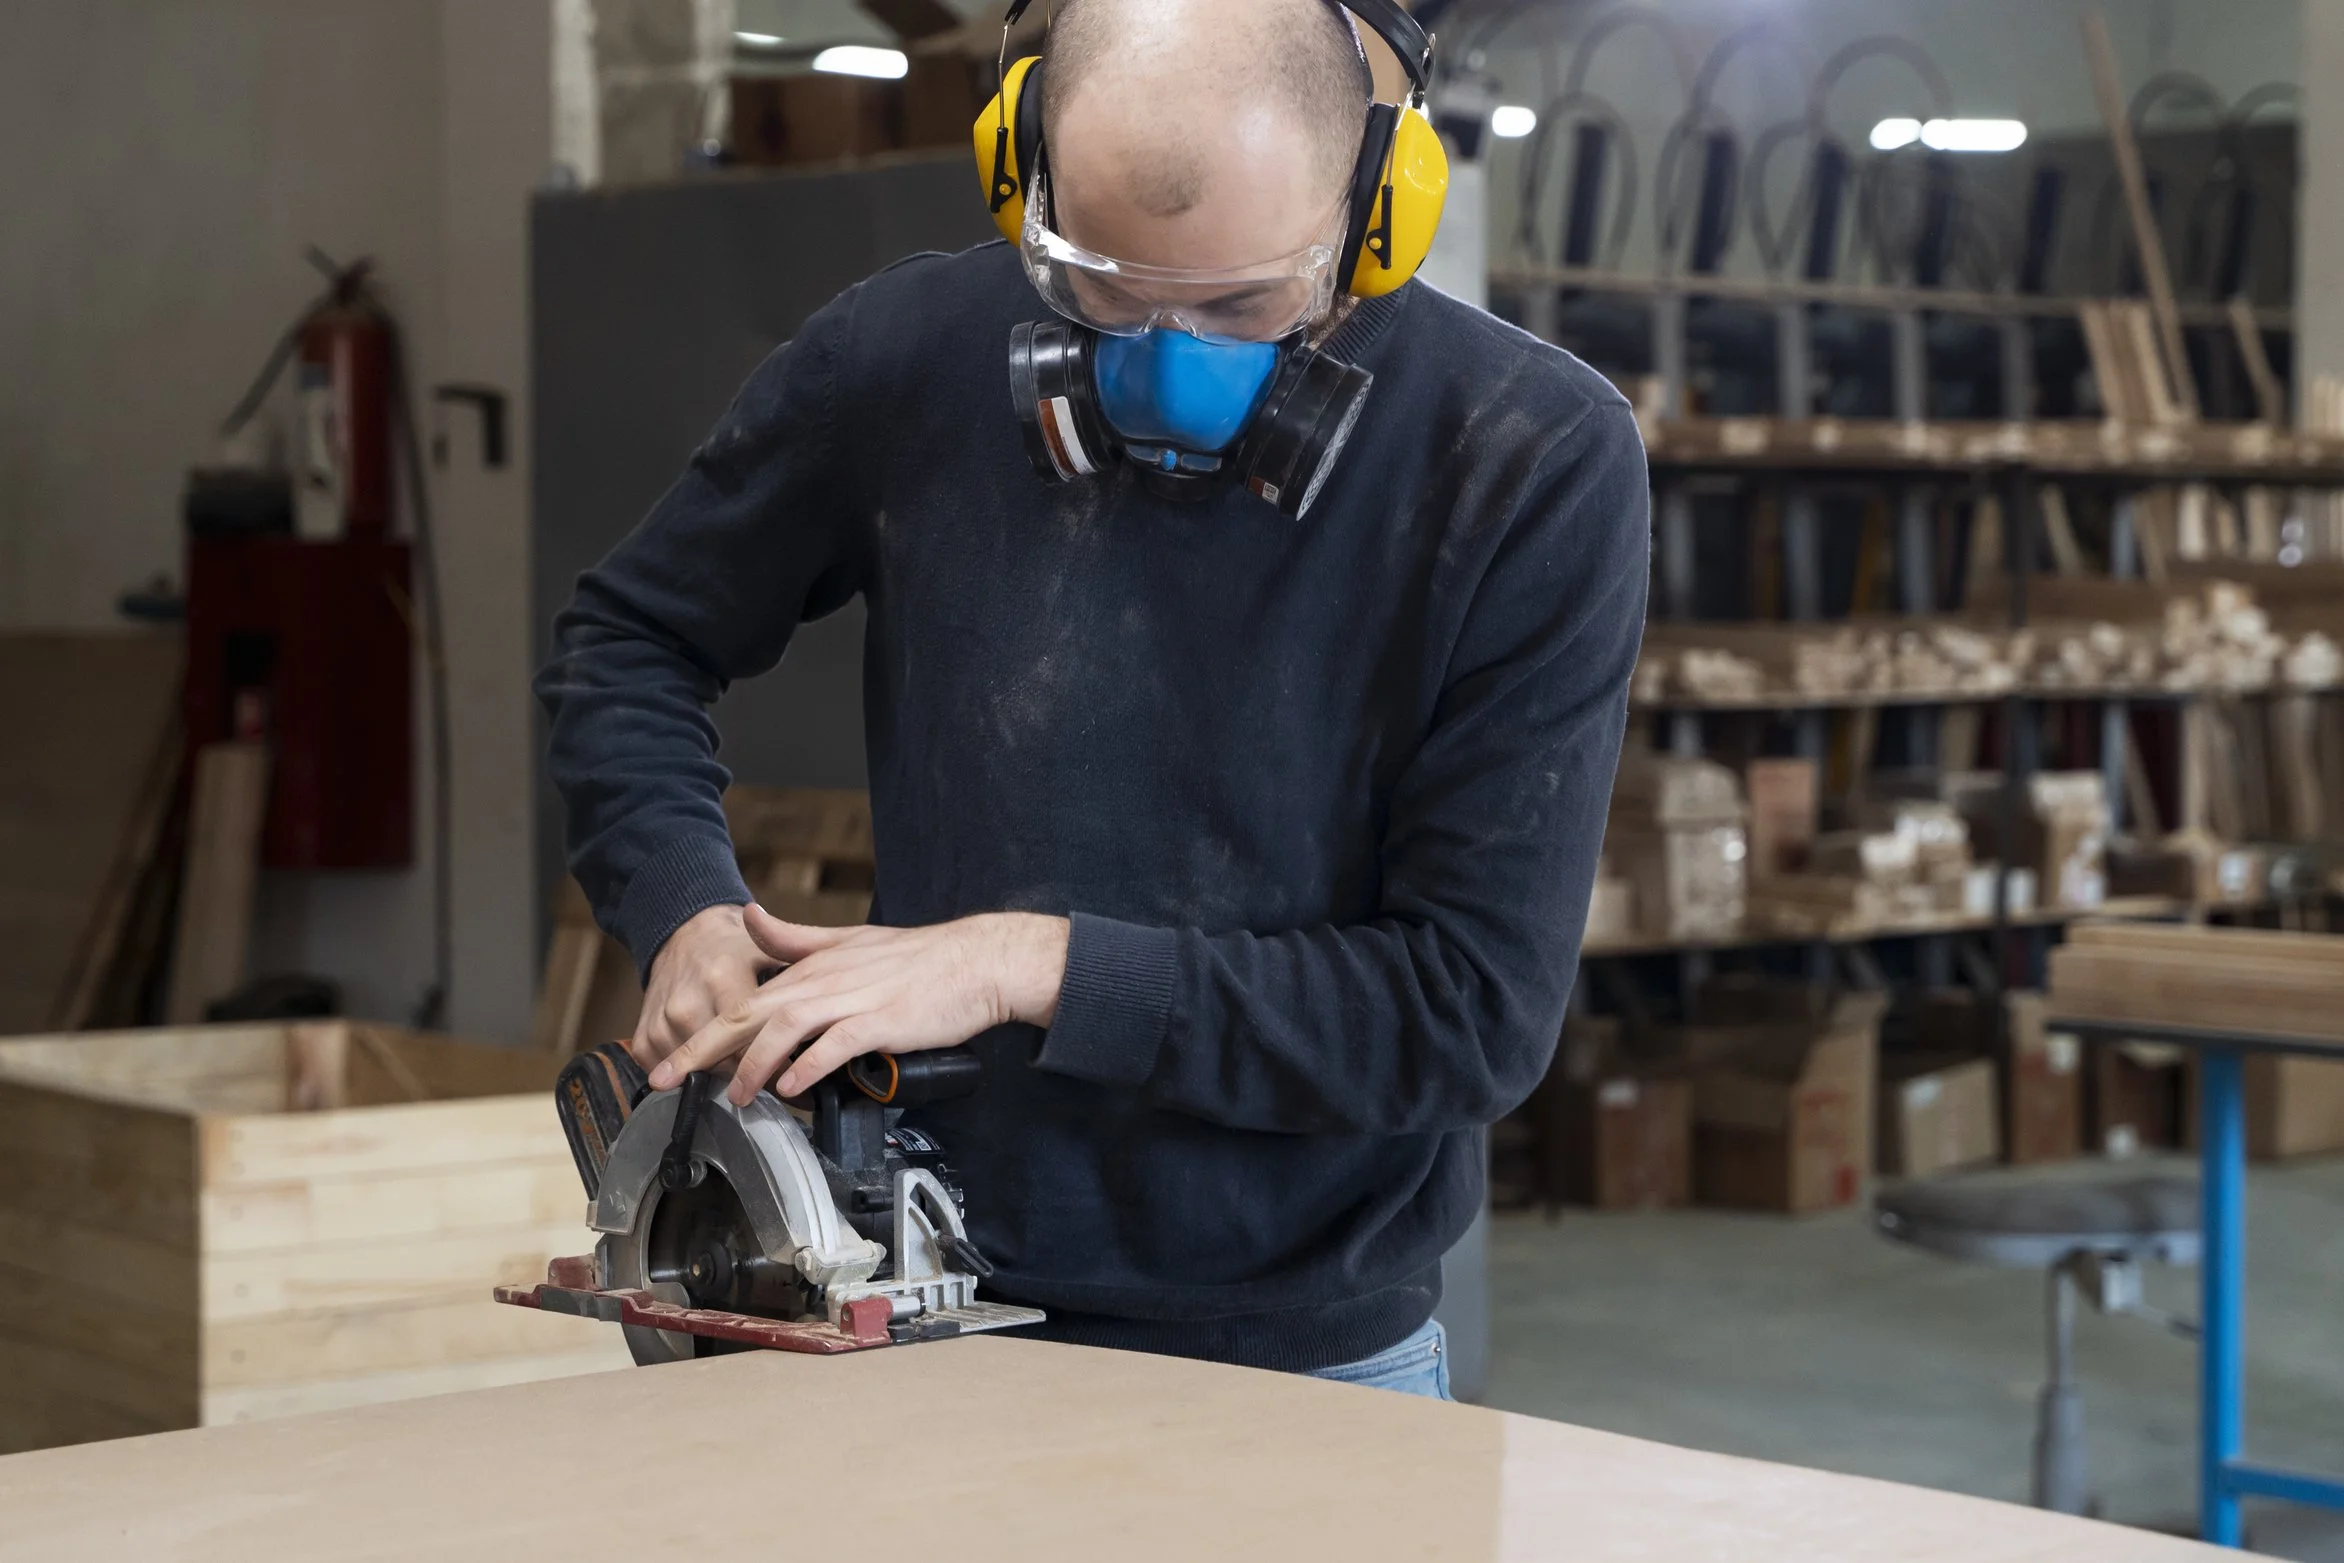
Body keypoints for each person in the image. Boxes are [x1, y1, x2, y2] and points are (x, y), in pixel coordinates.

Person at [536, 0, 1649, 1401]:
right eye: (1104, 292)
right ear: (1027, 179)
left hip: (1311, 1369)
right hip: (921, 1322)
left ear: (1376, 213)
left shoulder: (1528, 460)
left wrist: (1021, 962)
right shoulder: (906, 361)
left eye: (1245, 305)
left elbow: (1467, 1014)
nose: (1166, 363)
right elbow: (628, 638)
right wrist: (682, 903)